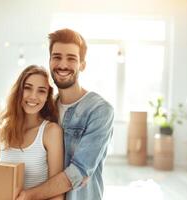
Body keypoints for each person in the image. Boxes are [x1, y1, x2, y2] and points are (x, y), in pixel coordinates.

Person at [16, 29, 114, 200]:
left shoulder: (99, 110)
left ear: (82, 65)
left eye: (71, 58)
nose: (62, 65)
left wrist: (27, 196)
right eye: (57, 57)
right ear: (49, 61)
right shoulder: (44, 108)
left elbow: (78, 173)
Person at [0, 65, 64, 200]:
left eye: (41, 91)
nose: (33, 96)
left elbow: (57, 194)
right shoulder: (3, 131)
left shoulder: (51, 132)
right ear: (19, 91)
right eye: (27, 88)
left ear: (47, 97)